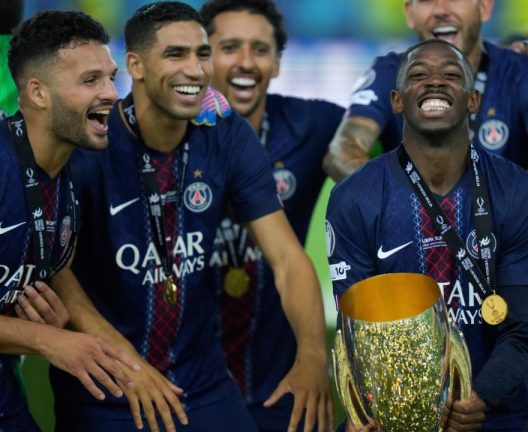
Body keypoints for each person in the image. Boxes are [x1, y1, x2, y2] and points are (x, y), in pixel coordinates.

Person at [48, 3, 331, 432]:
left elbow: (288, 259)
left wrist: (312, 355)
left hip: (203, 387)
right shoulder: (91, 139)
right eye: (176, 55)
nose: (196, 70)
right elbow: (58, 270)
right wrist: (130, 368)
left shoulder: (228, 134)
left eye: (202, 54)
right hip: (105, 386)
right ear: (136, 65)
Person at [326, 38, 528, 431]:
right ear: (396, 101)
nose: (433, 82)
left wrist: (477, 398)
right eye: (417, 75)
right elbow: (357, 335)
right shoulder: (354, 198)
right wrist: (398, 410)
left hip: (492, 407)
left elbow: (522, 329)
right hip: (390, 408)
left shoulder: (518, 192)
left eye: (450, 75)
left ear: (472, 101)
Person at [199, 0, 345, 430]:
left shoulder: (314, 124)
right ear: (202, 57)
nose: (246, 62)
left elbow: (404, 140)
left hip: (285, 385)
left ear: (278, 62)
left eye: (260, 49)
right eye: (229, 47)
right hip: (191, 384)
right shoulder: (171, 133)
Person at [0, 9, 144, 431]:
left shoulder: (70, 173)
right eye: (90, 81)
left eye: (110, 77)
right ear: (38, 93)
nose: (112, 94)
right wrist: (48, 340)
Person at [323, 0, 528, 202]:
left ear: (484, 7)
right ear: (410, 13)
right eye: (426, 0)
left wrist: (498, 209)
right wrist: (408, 204)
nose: (441, 10)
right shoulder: (389, 73)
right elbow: (341, 151)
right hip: (412, 257)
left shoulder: (523, 71)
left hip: (502, 257)